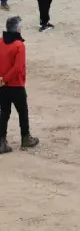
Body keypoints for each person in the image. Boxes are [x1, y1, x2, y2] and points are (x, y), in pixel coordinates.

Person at [0, 16, 39, 153]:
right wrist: (5, 79)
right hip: (16, 85)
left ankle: (1, 142)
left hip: (2, 86)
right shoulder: (19, 45)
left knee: (4, 112)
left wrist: (2, 80)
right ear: (17, 29)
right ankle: (25, 138)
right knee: (23, 111)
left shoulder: (0, 42)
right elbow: (17, 68)